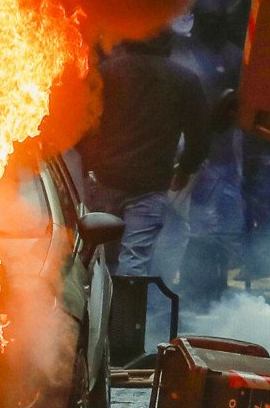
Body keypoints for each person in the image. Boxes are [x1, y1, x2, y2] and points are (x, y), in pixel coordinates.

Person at [77, 32, 210, 277]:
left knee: (98, 253)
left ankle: (96, 299)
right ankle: (128, 301)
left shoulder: (107, 72)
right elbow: (200, 136)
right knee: (135, 258)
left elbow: (83, 124)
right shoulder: (184, 80)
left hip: (106, 180)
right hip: (150, 186)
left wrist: (89, 164)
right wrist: (185, 169)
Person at [170, 0, 244, 311]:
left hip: (224, 154)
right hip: (192, 153)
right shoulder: (184, 54)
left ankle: (213, 289)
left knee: (221, 228)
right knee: (193, 227)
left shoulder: (235, 57)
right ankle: (193, 290)